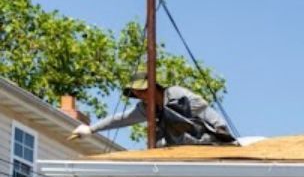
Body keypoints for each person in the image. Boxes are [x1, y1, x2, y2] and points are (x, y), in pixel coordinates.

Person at [71, 73, 234, 146]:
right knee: (159, 142)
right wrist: (91, 129)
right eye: (137, 94)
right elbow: (121, 118)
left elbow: (203, 106)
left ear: (153, 87)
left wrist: (219, 127)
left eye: (143, 91)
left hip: (206, 136)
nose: (141, 96)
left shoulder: (175, 94)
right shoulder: (146, 109)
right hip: (182, 144)